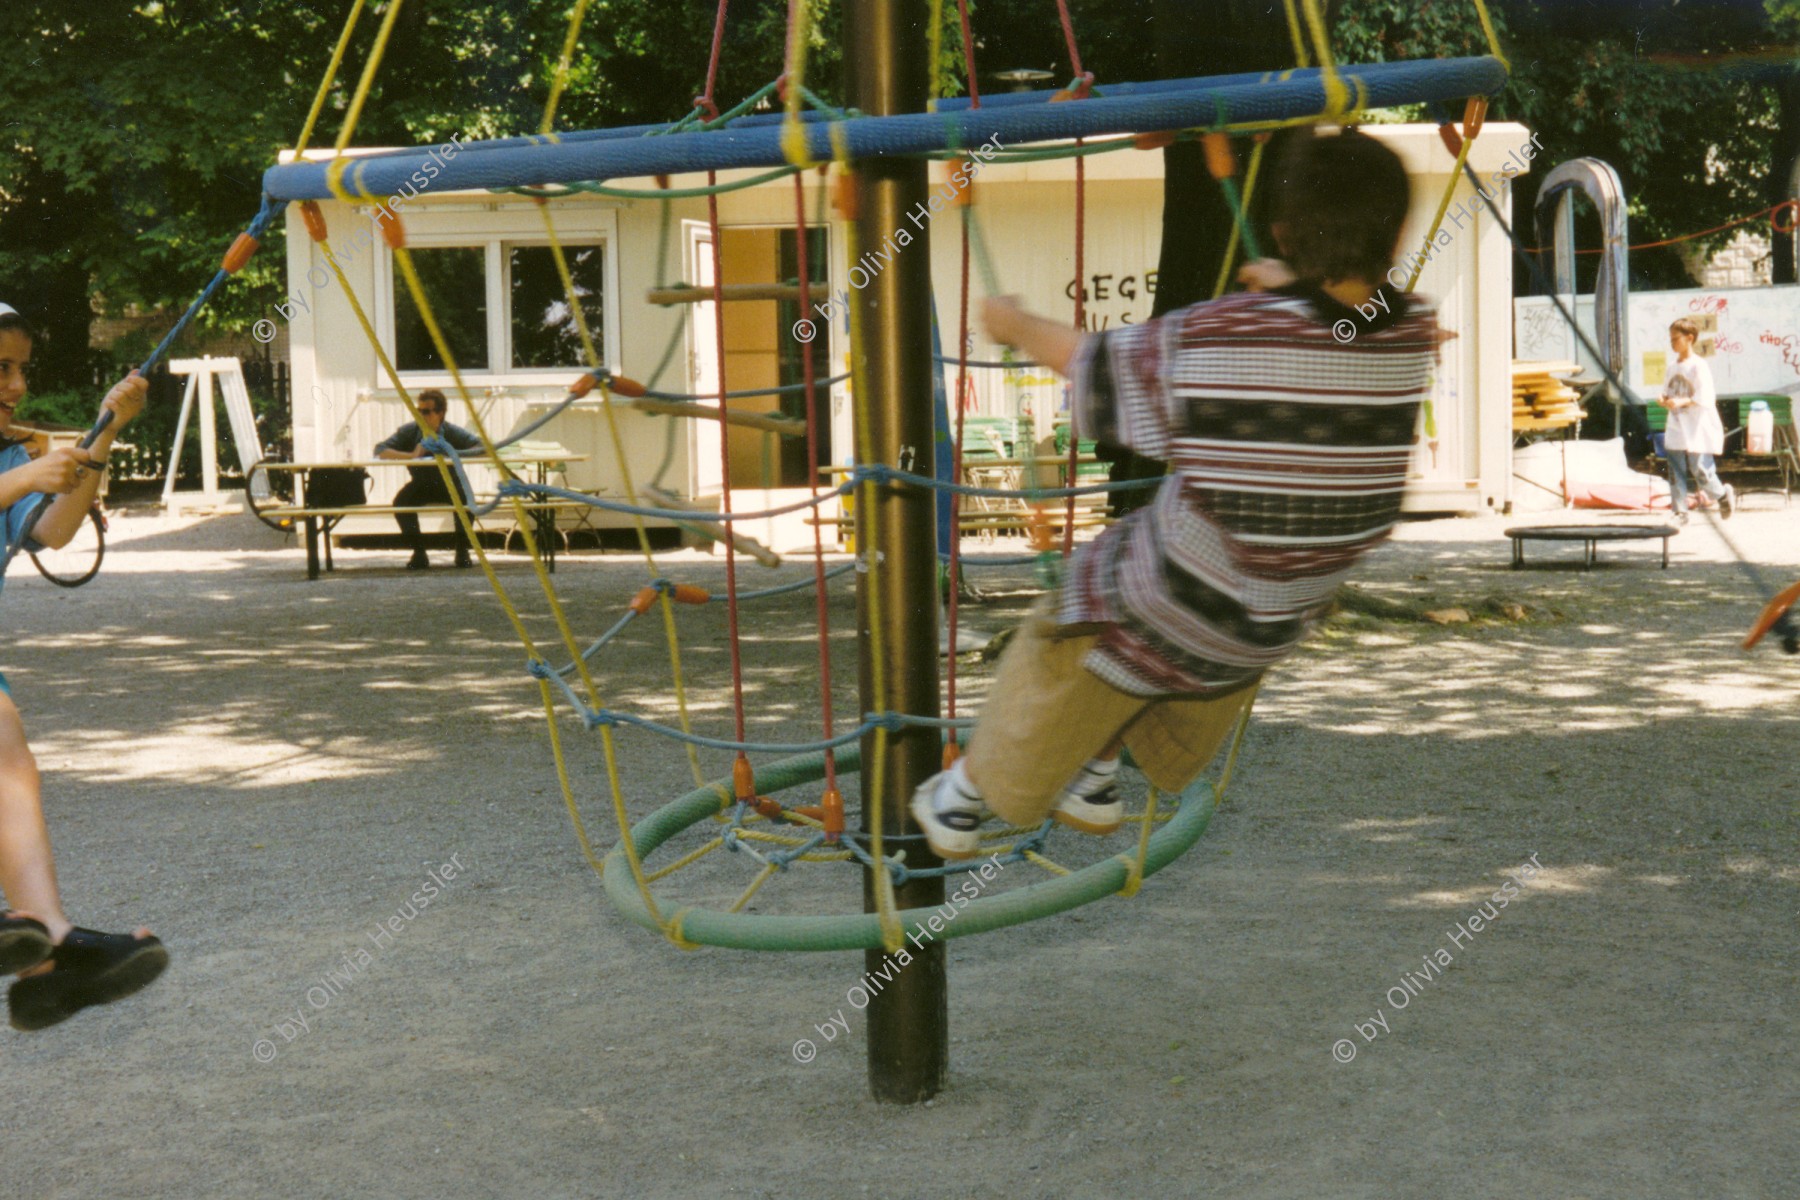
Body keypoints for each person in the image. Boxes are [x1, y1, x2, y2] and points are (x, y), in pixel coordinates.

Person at [912, 128, 1443, 859]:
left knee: (1069, 627)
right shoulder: (1412, 330)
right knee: (1153, 632)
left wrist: (1011, 323)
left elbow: (1094, 361)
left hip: (1185, 598)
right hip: (1279, 620)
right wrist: (1292, 292)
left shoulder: (1224, 333)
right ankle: (1096, 773)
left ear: (1283, 231)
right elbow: (1337, 330)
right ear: (1399, 232)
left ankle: (965, 796)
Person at [0, 302, 169, 1030]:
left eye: (20, 370)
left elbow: (55, 530)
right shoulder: (17, 462)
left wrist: (103, 436)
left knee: (8, 754)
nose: (14, 386)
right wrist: (24, 475)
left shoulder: (10, 452)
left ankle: (48, 952)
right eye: (0, 368)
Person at [374, 388, 483, 569]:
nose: (421, 416)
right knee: (401, 503)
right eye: (419, 411)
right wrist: (411, 456)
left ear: (440, 413)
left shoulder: (452, 432)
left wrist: (453, 453)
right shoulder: (410, 431)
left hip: (450, 482)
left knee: (467, 501)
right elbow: (380, 450)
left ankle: (462, 550)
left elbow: (481, 445)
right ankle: (418, 553)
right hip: (422, 483)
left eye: (426, 412)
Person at [1657, 318, 1733, 525]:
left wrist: (1682, 401)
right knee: (1675, 469)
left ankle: (1722, 495)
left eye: (1676, 338)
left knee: (1700, 470)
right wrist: (1664, 399)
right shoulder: (1672, 366)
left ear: (1690, 338)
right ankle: (1680, 511)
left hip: (1697, 426)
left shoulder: (1699, 366)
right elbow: (1668, 390)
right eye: (1670, 339)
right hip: (1676, 424)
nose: (1672, 343)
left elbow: (1705, 397)